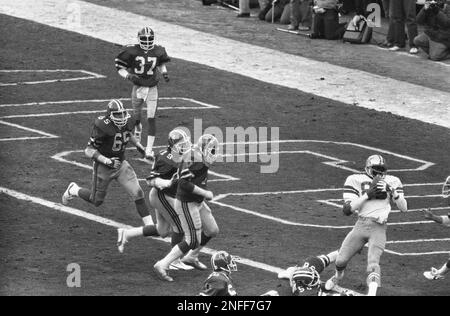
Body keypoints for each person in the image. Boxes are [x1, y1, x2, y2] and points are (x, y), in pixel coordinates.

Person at [324, 155, 408, 296]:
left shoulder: (393, 181)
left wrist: (392, 191)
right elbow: (347, 210)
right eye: (376, 170)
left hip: (379, 227)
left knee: (373, 262)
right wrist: (367, 195)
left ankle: (372, 293)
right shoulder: (354, 179)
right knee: (340, 260)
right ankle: (338, 277)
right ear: (368, 168)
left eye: (382, 170)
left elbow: (404, 208)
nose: (379, 173)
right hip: (361, 225)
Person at [62, 100, 154, 227]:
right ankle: (74, 190)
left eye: (122, 114)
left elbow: (127, 134)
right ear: (109, 116)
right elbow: (89, 150)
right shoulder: (102, 125)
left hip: (121, 164)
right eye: (117, 115)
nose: (121, 117)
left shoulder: (128, 121)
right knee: (96, 201)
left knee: (138, 193)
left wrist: (139, 146)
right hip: (103, 167)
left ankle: (150, 226)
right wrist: (107, 161)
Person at [116, 129, 194, 270]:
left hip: (166, 195)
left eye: (186, 143)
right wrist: (168, 183)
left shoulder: (179, 156)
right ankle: (174, 261)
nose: (185, 146)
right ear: (173, 145)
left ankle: (127, 233)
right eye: (182, 144)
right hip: (161, 195)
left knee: (162, 230)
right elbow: (150, 180)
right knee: (179, 226)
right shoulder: (167, 160)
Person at [153, 134, 220, 282]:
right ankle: (162, 264)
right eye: (211, 150)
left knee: (212, 230)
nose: (213, 153)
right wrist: (205, 193)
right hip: (186, 203)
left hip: (197, 202)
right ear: (203, 148)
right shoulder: (194, 159)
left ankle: (191, 257)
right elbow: (183, 183)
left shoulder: (198, 157)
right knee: (191, 240)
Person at [115, 27, 171, 159]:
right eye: (144, 39)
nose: (147, 41)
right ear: (139, 39)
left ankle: (149, 150)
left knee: (151, 118)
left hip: (152, 88)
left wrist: (164, 73)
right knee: (136, 118)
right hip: (138, 87)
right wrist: (128, 76)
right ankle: (138, 128)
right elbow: (119, 67)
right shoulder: (131, 50)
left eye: (149, 39)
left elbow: (161, 63)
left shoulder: (158, 50)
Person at [199, 251, 279, 296]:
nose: (232, 263)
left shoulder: (222, 277)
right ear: (223, 264)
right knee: (273, 294)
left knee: (272, 294)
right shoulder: (218, 279)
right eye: (230, 261)